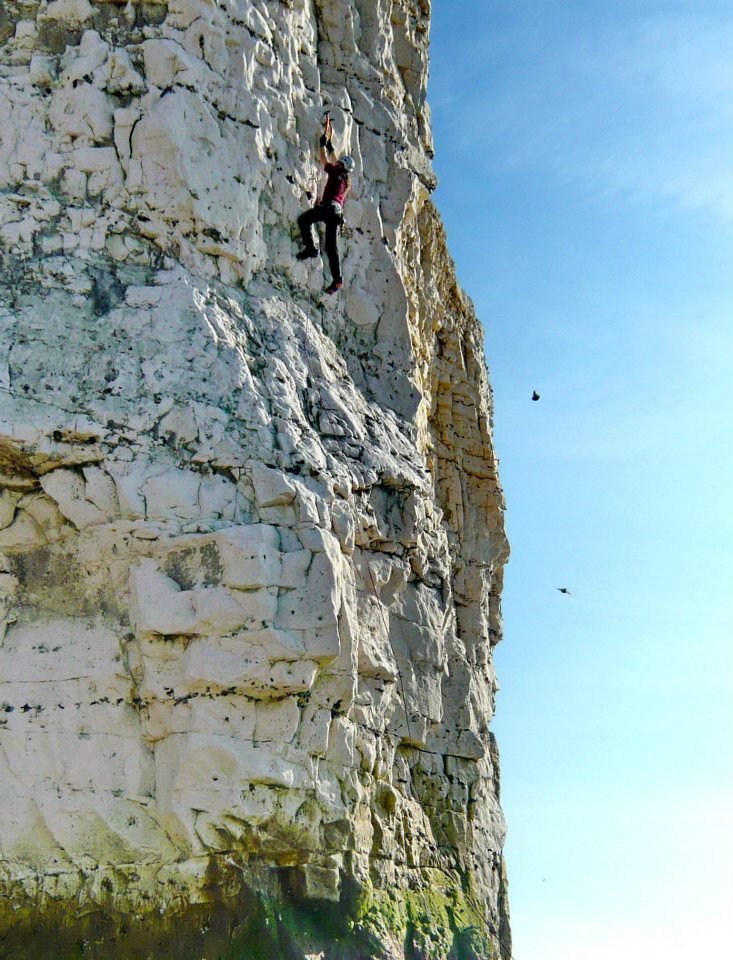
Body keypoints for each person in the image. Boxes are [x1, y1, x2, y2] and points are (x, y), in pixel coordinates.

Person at [297, 116, 355, 294]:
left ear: (341, 165)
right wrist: (331, 146)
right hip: (337, 214)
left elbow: (324, 160)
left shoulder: (336, 171)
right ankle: (337, 279)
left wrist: (323, 144)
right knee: (331, 248)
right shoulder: (346, 180)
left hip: (328, 208)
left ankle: (310, 248)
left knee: (304, 220)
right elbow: (336, 160)